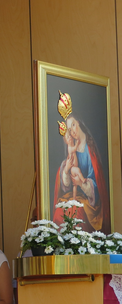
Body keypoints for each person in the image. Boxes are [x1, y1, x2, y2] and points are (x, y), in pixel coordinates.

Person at [53, 91, 110, 233]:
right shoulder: (72, 146)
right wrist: (65, 171)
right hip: (73, 197)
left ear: (78, 123)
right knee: (60, 213)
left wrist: (82, 183)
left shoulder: (90, 150)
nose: (71, 130)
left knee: (75, 214)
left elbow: (96, 185)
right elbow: (65, 183)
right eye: (69, 128)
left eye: (73, 125)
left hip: (87, 203)